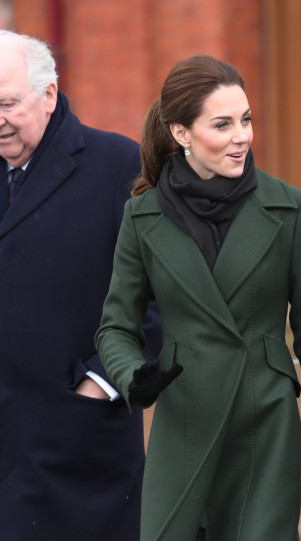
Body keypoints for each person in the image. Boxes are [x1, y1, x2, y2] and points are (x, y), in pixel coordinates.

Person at [95, 54, 301, 541]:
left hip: (265, 421)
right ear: (181, 134)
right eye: (223, 124)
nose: (242, 136)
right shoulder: (142, 216)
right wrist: (134, 376)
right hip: (183, 422)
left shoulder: (289, 207)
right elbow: (115, 326)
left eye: (246, 119)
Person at [0, 31, 162, 540]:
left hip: (80, 448)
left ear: (48, 94)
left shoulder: (119, 166)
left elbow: (161, 301)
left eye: (7, 103)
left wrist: (99, 385)